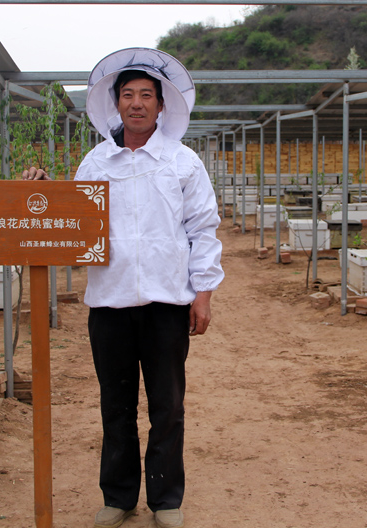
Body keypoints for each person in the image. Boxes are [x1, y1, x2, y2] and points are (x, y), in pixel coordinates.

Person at [23, 48, 224, 528]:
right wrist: (44, 190)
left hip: (166, 303)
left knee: (167, 406)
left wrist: (203, 294)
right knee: (115, 404)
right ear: (116, 104)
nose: (137, 103)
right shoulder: (95, 162)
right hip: (109, 303)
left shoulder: (183, 162)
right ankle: (118, 497)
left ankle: (166, 501)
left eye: (146, 96)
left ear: (161, 106)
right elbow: (72, 221)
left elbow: (204, 229)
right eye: (128, 95)